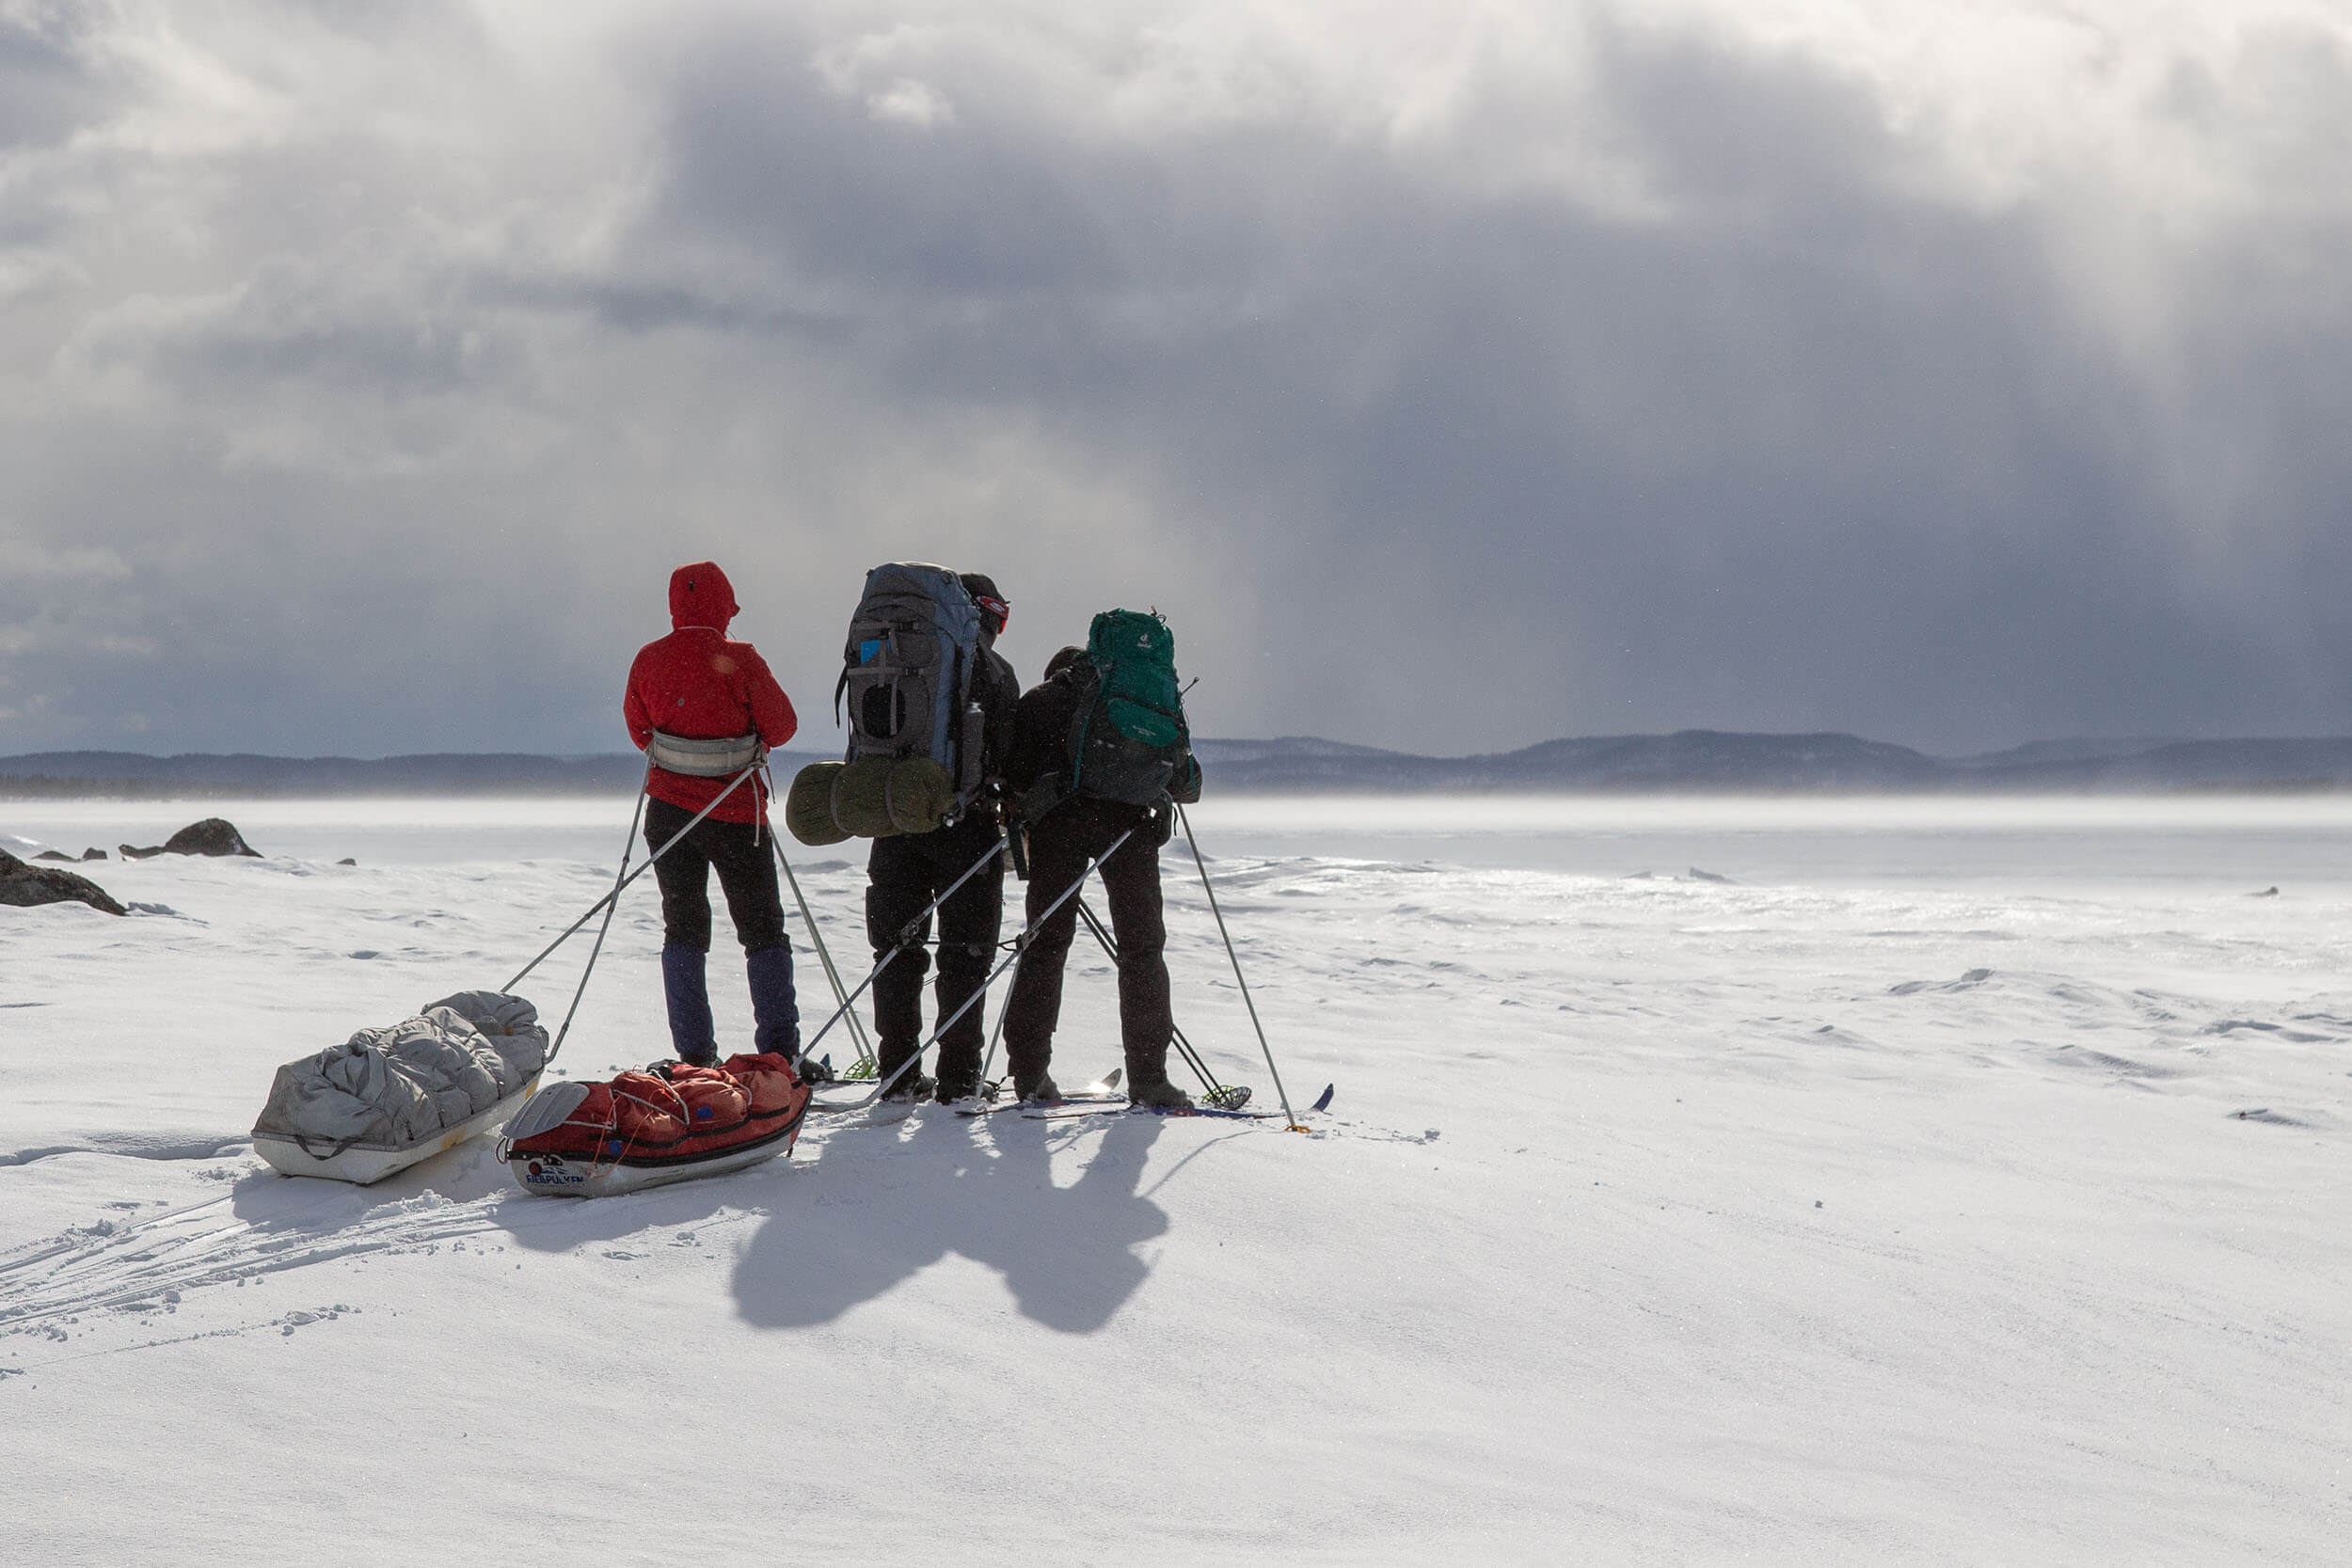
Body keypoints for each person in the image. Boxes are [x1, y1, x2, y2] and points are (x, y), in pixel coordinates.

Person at [999, 641, 1202, 1110]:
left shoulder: (1040, 700)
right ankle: (1150, 1079)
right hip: (1130, 831)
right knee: (1142, 951)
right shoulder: (1139, 701)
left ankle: (1029, 1074)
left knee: (1045, 947)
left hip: (1057, 830)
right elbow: (1186, 783)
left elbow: (1012, 775)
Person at [623, 561, 802, 1067]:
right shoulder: (740, 659)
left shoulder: (648, 660)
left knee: (683, 928)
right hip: (737, 817)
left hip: (668, 816)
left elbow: (640, 732)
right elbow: (783, 726)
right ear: (724, 604)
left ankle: (696, 1057)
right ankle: (778, 1058)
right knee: (763, 932)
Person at [864, 573, 1021, 1101]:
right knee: (965, 955)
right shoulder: (995, 672)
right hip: (966, 828)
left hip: (894, 816)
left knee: (896, 950)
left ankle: (898, 1071)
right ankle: (958, 1078)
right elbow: (1005, 761)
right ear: (984, 614)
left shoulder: (890, 648)